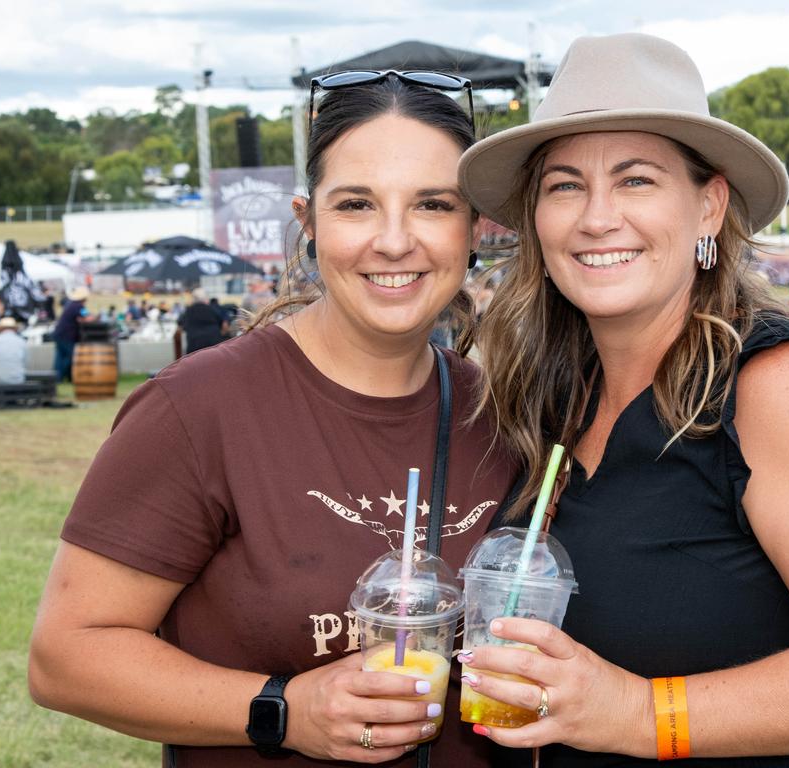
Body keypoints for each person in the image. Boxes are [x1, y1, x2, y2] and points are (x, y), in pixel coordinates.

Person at [457, 33, 789, 767]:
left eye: (637, 181)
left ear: (709, 206)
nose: (597, 217)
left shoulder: (778, 386)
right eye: (565, 185)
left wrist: (635, 713)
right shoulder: (559, 388)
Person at [28, 71, 517, 768]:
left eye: (433, 204)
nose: (394, 239)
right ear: (308, 222)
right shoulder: (197, 409)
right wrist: (282, 711)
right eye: (356, 204)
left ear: (474, 228)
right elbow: (64, 657)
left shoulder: (503, 416)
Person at [50, 286, 91, 382]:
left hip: (59, 334)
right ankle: (66, 376)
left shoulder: (70, 304)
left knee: (60, 357)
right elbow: (87, 318)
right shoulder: (78, 306)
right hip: (67, 336)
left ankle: (56, 378)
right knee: (70, 357)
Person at [174, 288, 227, 355]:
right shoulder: (213, 310)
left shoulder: (188, 311)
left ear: (193, 299)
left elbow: (179, 327)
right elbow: (224, 325)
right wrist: (220, 335)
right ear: (206, 299)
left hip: (194, 348)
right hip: (214, 347)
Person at [0, 315, 27, 385]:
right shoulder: (22, 341)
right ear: (14, 329)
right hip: (18, 380)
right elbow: (26, 362)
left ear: (0, 329)